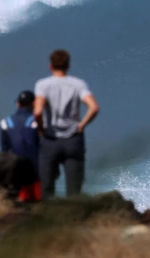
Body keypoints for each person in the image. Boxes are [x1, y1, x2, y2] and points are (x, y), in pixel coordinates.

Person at [33, 49, 99, 198]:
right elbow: (94, 107)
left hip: (51, 140)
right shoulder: (78, 84)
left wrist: (41, 128)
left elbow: (37, 112)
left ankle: (49, 218)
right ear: (68, 66)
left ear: (50, 66)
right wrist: (81, 125)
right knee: (74, 191)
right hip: (73, 140)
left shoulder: (43, 85)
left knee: (47, 188)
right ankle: (74, 219)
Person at [0, 90, 42, 202]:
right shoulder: (38, 121)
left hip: (14, 171)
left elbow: (4, 150)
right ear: (33, 104)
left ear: (17, 104)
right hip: (35, 171)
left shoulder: (5, 122)